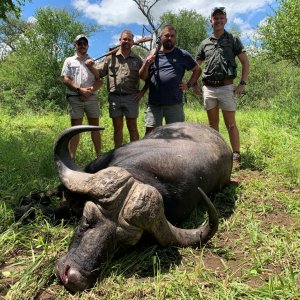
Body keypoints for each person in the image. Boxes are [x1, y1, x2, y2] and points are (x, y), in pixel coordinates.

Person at [196, 7, 249, 164]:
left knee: (231, 124)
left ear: (225, 20)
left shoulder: (233, 39)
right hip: (208, 88)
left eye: (221, 17)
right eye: (215, 18)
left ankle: (236, 155)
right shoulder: (204, 43)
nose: (218, 20)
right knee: (213, 125)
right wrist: (193, 85)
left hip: (226, 87)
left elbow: (245, 62)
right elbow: (196, 66)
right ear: (211, 21)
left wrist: (242, 83)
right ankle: (217, 155)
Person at [87, 30, 147, 148]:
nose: (126, 42)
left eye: (129, 40)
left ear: (132, 42)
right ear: (120, 40)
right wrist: (90, 67)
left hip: (131, 98)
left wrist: (142, 93)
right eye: (124, 39)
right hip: (115, 98)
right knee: (117, 128)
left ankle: (135, 153)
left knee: (133, 128)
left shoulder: (137, 59)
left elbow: (147, 78)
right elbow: (98, 73)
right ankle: (117, 154)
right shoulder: (110, 57)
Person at [139, 24, 201, 135]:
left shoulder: (182, 54)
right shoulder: (152, 53)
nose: (169, 38)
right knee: (150, 135)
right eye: (167, 35)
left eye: (172, 36)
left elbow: (197, 70)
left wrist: (189, 84)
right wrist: (147, 64)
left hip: (174, 104)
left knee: (176, 136)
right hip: (154, 104)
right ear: (161, 36)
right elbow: (143, 77)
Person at [61, 34, 103, 158]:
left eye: (84, 44)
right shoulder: (69, 60)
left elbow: (99, 80)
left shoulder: (94, 60)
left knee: (95, 127)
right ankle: (71, 158)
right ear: (75, 45)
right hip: (75, 98)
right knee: (75, 129)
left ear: (88, 46)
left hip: (92, 98)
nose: (82, 46)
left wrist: (89, 92)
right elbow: (66, 79)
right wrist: (80, 90)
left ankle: (99, 157)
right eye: (80, 43)